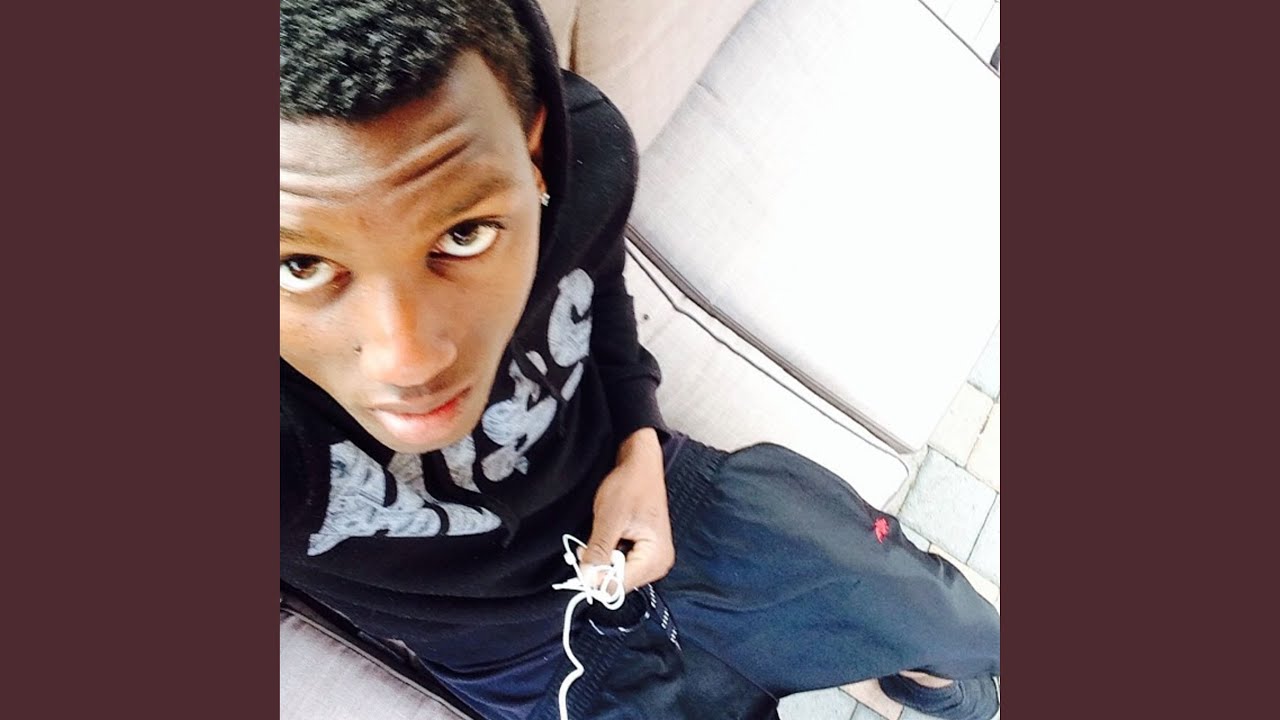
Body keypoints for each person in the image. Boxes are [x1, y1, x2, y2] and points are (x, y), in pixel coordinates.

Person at [279, 1, 1001, 719]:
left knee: (948, 623)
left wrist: (640, 444)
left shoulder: (583, 155)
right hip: (530, 660)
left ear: (534, 155)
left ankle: (923, 681)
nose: (408, 360)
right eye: (301, 266)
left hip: (668, 498)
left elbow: (593, 291)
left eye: (465, 234)